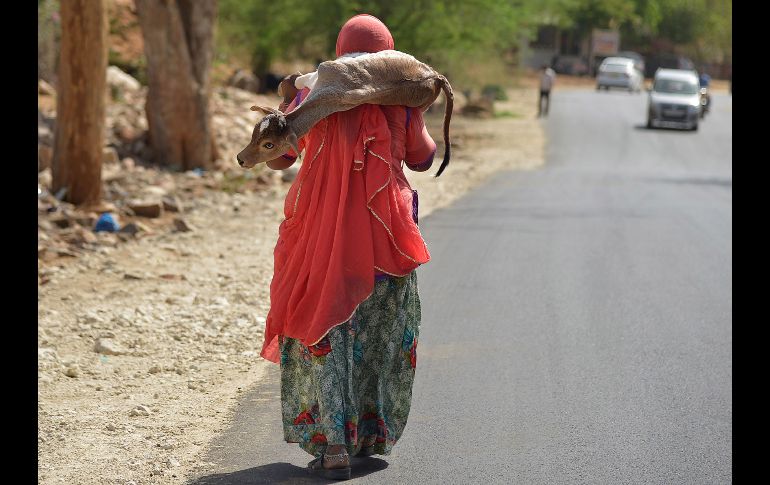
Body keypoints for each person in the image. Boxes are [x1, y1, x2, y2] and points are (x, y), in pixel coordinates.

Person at [260, 14, 438, 480]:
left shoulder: (318, 90)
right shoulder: (401, 93)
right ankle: (369, 432)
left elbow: (279, 156)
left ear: (340, 50)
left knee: (325, 327)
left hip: (320, 234)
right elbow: (422, 158)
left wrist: (289, 104)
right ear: (388, 52)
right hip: (384, 237)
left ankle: (333, 443)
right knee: (377, 331)